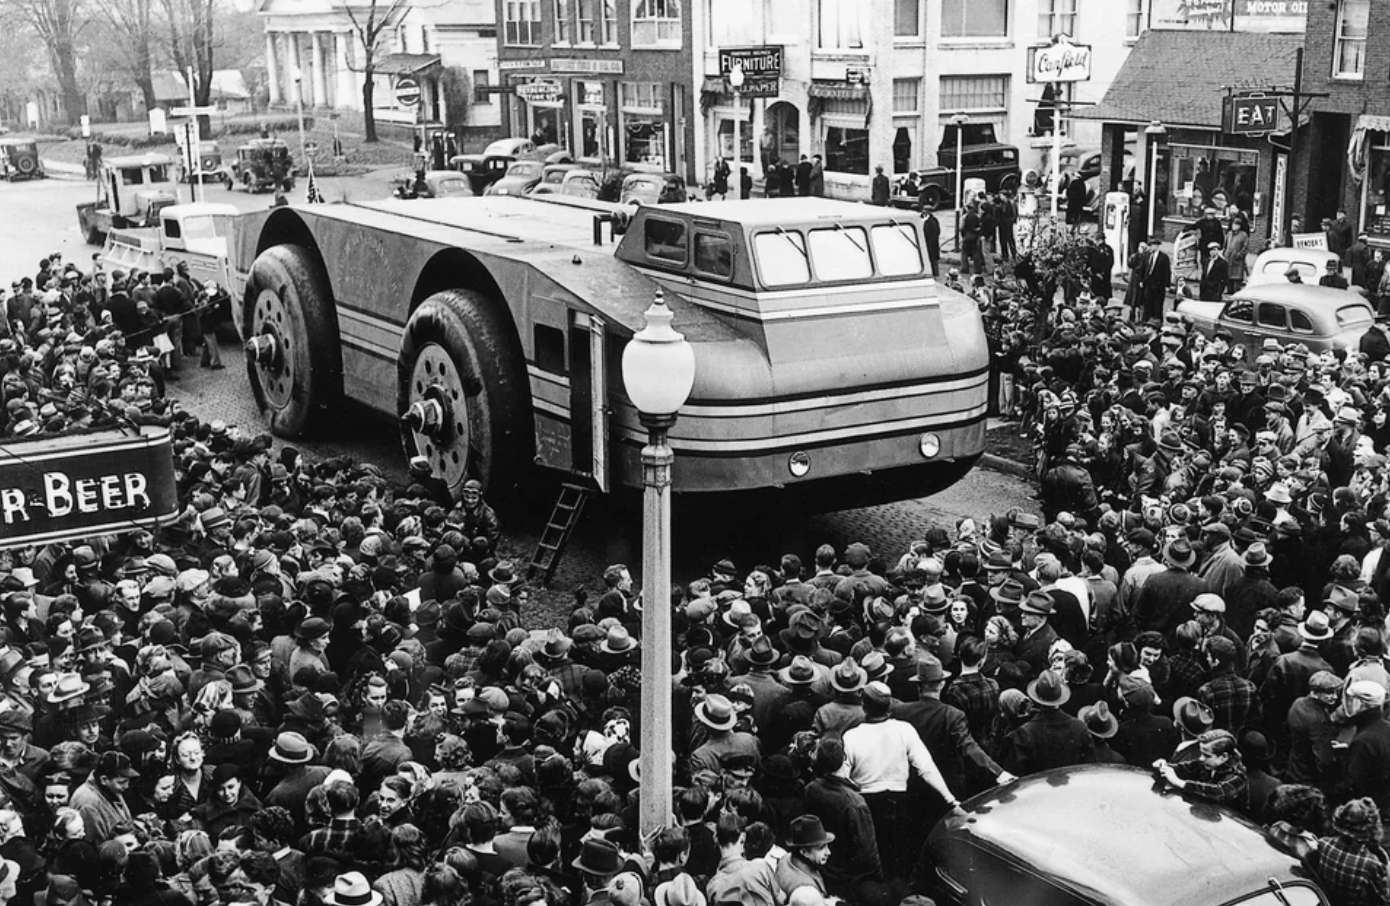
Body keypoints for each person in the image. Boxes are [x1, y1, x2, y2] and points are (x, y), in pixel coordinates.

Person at [921, 199, 942, 278]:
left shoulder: (928, 222)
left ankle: (933, 274)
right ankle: (936, 273)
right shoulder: (935, 220)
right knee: (934, 259)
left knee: (931, 259)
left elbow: (926, 233)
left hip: (930, 243)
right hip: (935, 242)